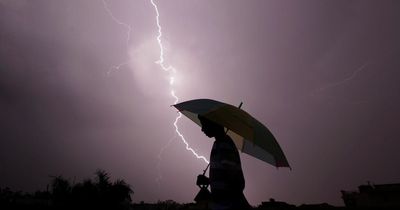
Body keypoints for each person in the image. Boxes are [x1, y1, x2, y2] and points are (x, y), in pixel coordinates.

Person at [197, 115, 251, 210]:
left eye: (204, 125)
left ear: (213, 124)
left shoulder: (225, 145)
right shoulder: (218, 144)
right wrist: (208, 181)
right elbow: (225, 177)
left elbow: (232, 180)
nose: (202, 129)